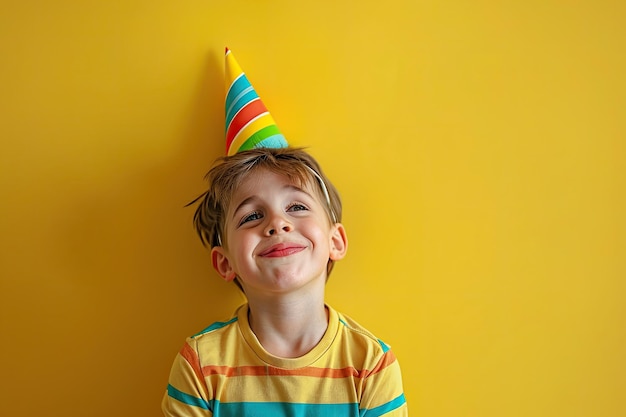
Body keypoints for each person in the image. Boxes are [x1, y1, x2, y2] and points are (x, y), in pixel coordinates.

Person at [162, 49, 407, 416]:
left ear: (335, 241)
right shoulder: (200, 366)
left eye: (296, 207)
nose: (277, 223)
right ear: (225, 261)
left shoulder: (370, 365)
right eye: (251, 216)